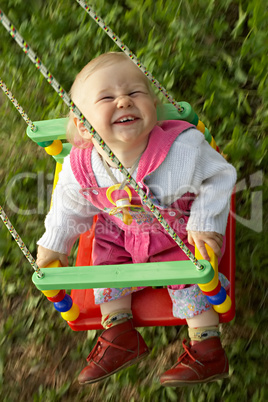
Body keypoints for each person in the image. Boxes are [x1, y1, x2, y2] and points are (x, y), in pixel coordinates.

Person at [36, 52, 237, 386]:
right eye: (107, 97)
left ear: (154, 108)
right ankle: (119, 333)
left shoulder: (180, 149)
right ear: (83, 126)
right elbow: (67, 205)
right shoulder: (80, 166)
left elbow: (220, 176)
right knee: (103, 263)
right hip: (119, 232)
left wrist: (204, 222)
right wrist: (55, 244)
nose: (123, 101)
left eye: (135, 93)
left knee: (192, 271)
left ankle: (207, 347)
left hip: (177, 228)